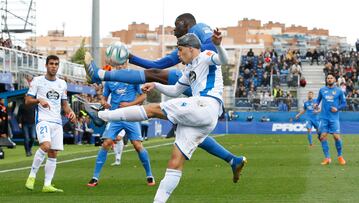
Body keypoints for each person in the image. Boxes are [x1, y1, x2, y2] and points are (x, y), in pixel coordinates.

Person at [95, 31, 247, 202]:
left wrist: (218, 44)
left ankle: (104, 115)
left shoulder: (206, 56)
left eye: (180, 50)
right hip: (203, 117)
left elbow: (224, 60)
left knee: (152, 109)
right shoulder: (189, 69)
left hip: (206, 104)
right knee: (175, 162)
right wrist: (155, 84)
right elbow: (175, 90)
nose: (179, 55)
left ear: (191, 49)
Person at [84, 13, 243, 175]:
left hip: (205, 90)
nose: (173, 30)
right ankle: (233, 160)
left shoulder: (198, 30)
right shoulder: (185, 46)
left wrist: (195, 51)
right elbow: (157, 65)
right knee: (195, 134)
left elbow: (212, 48)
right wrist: (130, 57)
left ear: (185, 24)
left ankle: (100, 77)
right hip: (196, 88)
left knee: (155, 81)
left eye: (176, 25)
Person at [87, 62, 155, 187]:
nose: (120, 66)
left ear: (126, 64)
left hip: (131, 115)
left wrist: (129, 105)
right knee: (106, 143)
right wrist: (104, 102)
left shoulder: (133, 78)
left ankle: (149, 175)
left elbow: (142, 97)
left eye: (122, 63)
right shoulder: (110, 79)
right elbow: (104, 97)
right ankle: (95, 177)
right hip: (115, 116)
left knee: (137, 145)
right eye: (117, 63)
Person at [24, 55, 76, 192]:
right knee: (46, 146)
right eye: (51, 63)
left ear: (58, 66)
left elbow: (64, 104)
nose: (54, 66)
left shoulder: (62, 83)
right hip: (43, 120)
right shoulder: (37, 81)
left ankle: (47, 185)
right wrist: (38, 100)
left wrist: (70, 112)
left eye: (56, 64)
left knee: (53, 153)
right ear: (46, 65)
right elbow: (27, 100)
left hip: (57, 122)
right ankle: (32, 176)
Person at [314, 73, 347, 165]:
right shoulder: (322, 90)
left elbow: (344, 103)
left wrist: (337, 108)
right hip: (324, 117)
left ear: (334, 80)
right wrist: (316, 104)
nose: (329, 79)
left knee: (336, 137)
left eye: (331, 78)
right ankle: (327, 158)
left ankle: (340, 156)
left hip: (334, 118)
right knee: (322, 136)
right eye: (328, 78)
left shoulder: (339, 91)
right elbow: (318, 100)